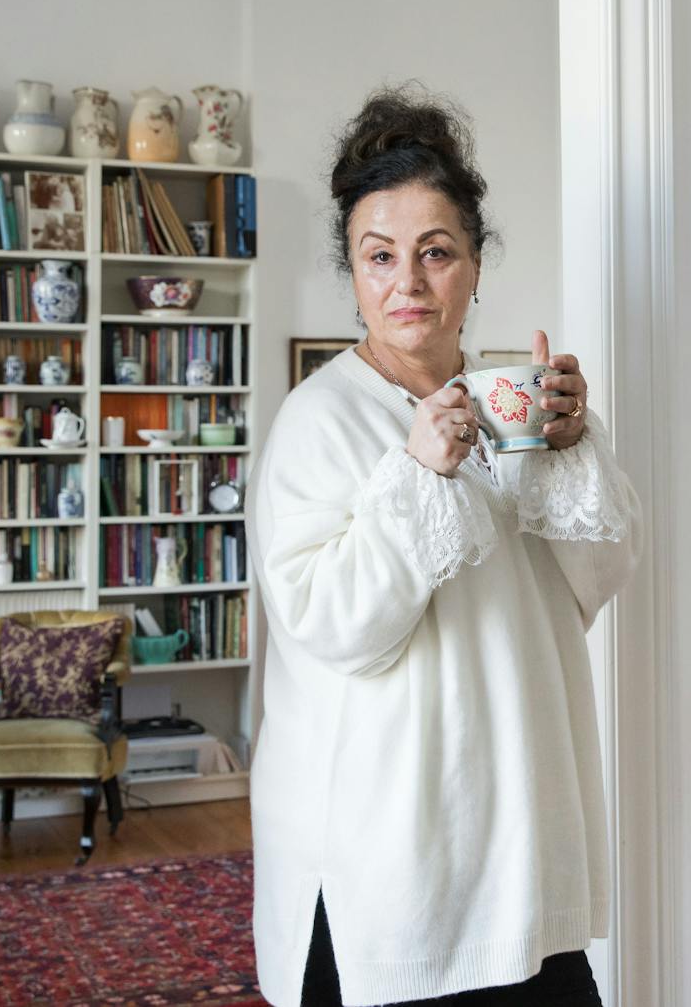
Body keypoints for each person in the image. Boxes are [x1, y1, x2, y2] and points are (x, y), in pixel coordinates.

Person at [250, 87, 642, 1006]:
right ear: (350, 271)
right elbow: (336, 628)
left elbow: (599, 579)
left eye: (437, 252)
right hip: (392, 871)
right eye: (378, 256)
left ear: (476, 264)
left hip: (521, 835)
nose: (408, 284)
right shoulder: (320, 420)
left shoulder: (517, 403)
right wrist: (420, 475)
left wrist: (571, 445)